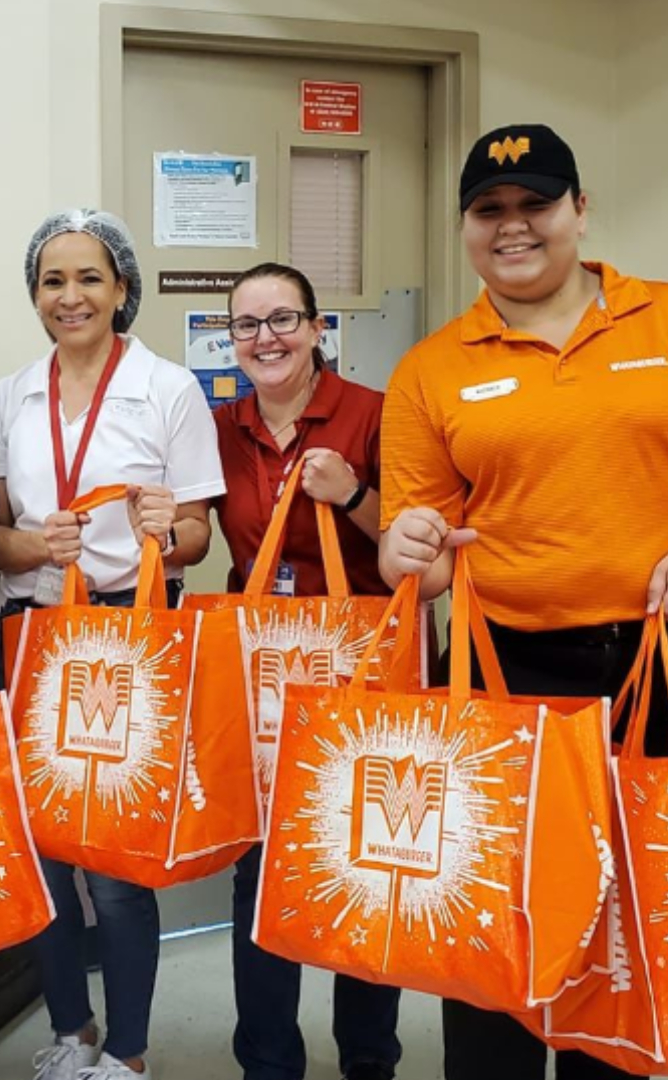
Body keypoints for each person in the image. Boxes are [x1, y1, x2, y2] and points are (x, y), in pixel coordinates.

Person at [376, 124, 668, 1080]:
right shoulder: (432, 369)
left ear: (580, 209)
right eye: (490, 211)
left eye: (537, 205)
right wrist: (407, 548)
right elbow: (427, 545)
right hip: (506, 673)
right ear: (466, 228)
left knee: (644, 914)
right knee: (499, 913)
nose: (514, 227)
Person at [0, 208, 224, 1080]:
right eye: (53, 280)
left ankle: (128, 1049)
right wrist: (33, 546)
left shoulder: (168, 388)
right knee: (40, 848)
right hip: (33, 633)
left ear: (122, 288)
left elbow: (196, 534)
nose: (70, 296)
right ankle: (69, 1029)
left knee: (117, 863)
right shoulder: (9, 394)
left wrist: (171, 527)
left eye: (89, 278)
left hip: (127, 631)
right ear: (35, 294)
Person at [206, 262, 397, 1080]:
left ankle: (367, 1059)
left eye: (283, 319)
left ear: (319, 328)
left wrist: (353, 494)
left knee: (362, 861)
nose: (265, 338)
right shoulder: (220, 425)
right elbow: (189, 527)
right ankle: (269, 1061)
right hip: (258, 675)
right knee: (261, 866)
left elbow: (413, 546)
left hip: (361, 671)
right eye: (247, 326)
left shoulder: (375, 414)